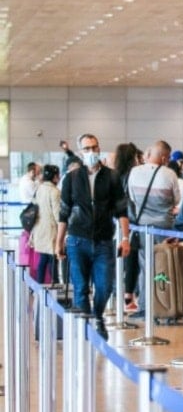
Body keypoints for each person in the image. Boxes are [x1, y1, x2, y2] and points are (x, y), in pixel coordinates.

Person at [56, 133, 131, 342]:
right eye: (87, 148)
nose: (91, 152)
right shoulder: (71, 178)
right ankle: (86, 325)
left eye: (94, 147)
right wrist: (58, 241)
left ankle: (97, 315)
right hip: (77, 240)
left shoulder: (112, 176)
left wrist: (125, 238)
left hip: (104, 241)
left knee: (105, 285)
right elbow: (64, 212)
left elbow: (121, 211)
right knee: (80, 288)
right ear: (80, 152)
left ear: (99, 148)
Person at [127, 140, 181, 319]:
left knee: (145, 267)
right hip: (165, 228)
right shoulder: (169, 174)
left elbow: (132, 198)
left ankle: (144, 307)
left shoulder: (134, 172)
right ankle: (164, 306)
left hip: (142, 227)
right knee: (163, 267)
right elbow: (175, 200)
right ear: (165, 157)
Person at [113, 142, 143, 311]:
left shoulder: (116, 175)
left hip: (118, 221)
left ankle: (125, 295)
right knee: (132, 259)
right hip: (130, 221)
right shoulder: (133, 175)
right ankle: (129, 296)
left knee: (124, 260)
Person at [29, 164, 61, 283]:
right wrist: (64, 230)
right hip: (51, 230)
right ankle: (56, 285)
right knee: (53, 260)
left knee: (43, 259)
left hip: (39, 228)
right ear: (54, 177)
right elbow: (57, 214)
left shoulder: (39, 189)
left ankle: (39, 286)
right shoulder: (55, 192)